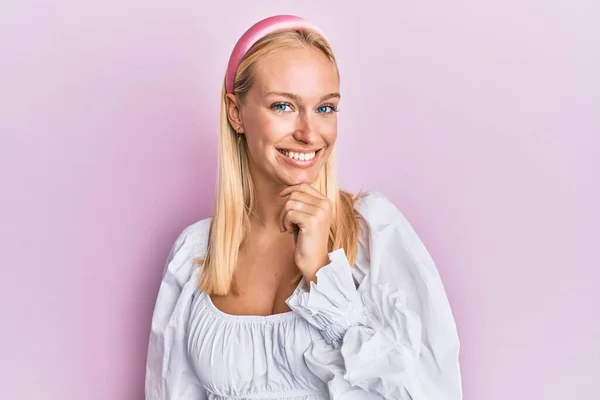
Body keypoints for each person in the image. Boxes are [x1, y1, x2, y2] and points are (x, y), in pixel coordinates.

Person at [145, 14, 462, 400]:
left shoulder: (373, 232)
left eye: (325, 108)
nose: (309, 134)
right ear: (235, 113)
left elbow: (425, 391)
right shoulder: (196, 253)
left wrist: (323, 277)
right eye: (283, 106)